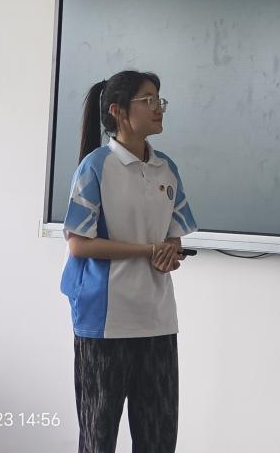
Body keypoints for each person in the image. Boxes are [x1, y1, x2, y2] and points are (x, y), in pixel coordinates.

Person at [61, 70, 197, 453]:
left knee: (158, 440)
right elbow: (79, 245)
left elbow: (173, 234)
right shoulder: (95, 167)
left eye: (159, 99)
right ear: (118, 111)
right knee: (98, 439)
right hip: (105, 323)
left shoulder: (166, 168)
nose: (158, 107)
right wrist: (148, 251)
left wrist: (168, 251)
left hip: (157, 320)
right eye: (148, 100)